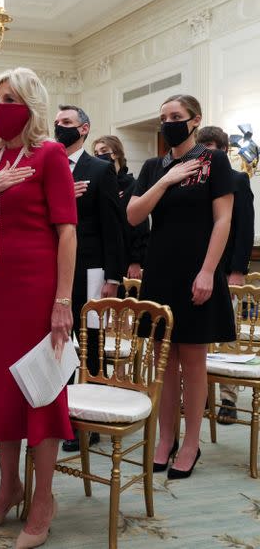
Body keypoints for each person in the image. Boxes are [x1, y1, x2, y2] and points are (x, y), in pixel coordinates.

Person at [0, 67, 75, 548]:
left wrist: (62, 301)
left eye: (11, 98)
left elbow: (67, 231)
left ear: (31, 105)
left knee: (41, 394)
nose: (2, 106)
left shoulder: (50, 157)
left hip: (39, 290)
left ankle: (42, 500)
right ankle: (9, 489)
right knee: (3, 393)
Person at [127, 94, 235, 479]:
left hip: (197, 269)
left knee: (192, 360)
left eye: (177, 116)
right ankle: (165, 437)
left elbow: (223, 221)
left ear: (195, 120)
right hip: (160, 270)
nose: (169, 122)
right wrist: (167, 179)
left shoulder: (214, 160)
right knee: (164, 361)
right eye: (164, 117)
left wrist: (208, 271)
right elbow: (134, 213)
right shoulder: (154, 165)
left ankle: (191, 442)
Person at [54, 106, 125, 453]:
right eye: (57, 122)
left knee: (91, 342)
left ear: (83, 129)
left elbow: (113, 225)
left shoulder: (99, 170)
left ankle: (91, 421)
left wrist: (114, 276)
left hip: (92, 268)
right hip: (52, 266)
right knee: (58, 341)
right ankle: (61, 415)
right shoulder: (49, 164)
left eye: (66, 123)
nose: (58, 126)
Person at [197, 125, 255, 424]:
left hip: (225, 270)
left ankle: (228, 399)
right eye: (202, 148)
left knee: (227, 335)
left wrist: (237, 271)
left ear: (222, 149)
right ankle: (199, 394)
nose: (207, 153)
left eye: (212, 148)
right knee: (197, 335)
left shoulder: (236, 178)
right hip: (196, 268)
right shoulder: (193, 180)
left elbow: (244, 228)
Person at [92, 135, 150, 282]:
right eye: (96, 153)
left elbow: (140, 225)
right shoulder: (97, 183)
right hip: (101, 255)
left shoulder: (132, 184)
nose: (99, 155)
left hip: (127, 256)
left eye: (103, 150)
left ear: (116, 153)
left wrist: (135, 260)